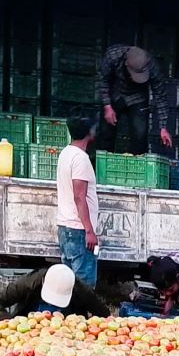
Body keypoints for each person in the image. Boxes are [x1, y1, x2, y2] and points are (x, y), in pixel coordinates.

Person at [95, 45, 173, 155]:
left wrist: (163, 127)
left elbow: (160, 96)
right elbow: (103, 80)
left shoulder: (152, 67)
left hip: (138, 97)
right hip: (114, 94)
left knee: (140, 136)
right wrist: (107, 105)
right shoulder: (113, 56)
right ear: (126, 63)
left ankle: (136, 166)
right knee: (106, 133)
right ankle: (104, 163)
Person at [54, 116, 100, 287]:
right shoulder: (81, 158)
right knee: (83, 284)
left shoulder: (65, 153)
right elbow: (79, 196)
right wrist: (89, 230)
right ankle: (78, 313)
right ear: (88, 133)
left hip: (66, 228)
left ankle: (68, 313)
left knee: (68, 283)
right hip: (78, 229)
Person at [0, 263, 106, 322]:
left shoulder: (80, 289)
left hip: (66, 334)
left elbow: (103, 313)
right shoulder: (29, 283)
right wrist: (11, 324)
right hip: (31, 331)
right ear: (43, 282)